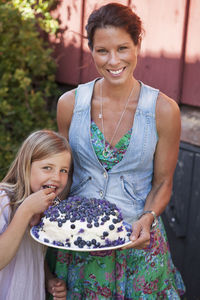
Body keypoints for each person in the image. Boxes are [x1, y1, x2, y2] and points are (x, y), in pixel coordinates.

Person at [47, 3, 186, 299]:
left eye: (123, 48)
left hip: (137, 243)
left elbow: (163, 182)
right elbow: (63, 172)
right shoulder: (69, 104)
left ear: (138, 44)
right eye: (102, 51)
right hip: (80, 245)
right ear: (91, 50)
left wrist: (147, 217)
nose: (113, 61)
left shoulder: (163, 110)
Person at [0, 129, 72, 300]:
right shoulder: (4, 200)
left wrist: (49, 280)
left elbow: (32, 253)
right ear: (27, 165)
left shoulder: (46, 209)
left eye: (64, 170)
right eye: (47, 168)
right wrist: (25, 211)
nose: (56, 177)